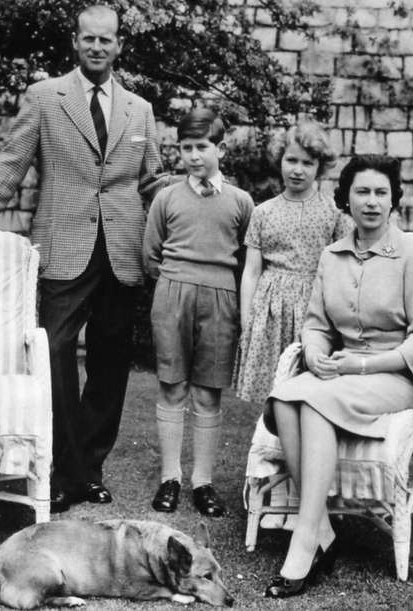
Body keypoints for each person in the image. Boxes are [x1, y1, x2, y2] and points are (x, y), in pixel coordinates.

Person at [0, 5, 170, 513]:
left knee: (112, 362)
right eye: (88, 39)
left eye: (106, 40)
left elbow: (151, 181)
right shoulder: (45, 97)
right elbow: (11, 163)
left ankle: (88, 470)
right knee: (55, 354)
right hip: (63, 247)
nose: (97, 47)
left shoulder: (139, 108)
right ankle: (64, 469)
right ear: (76, 42)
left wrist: (196, 188)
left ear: (119, 47)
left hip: (123, 251)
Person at [262, 154, 413, 598]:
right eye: (362, 191)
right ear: (347, 199)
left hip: (392, 376)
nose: (372, 202)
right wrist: (317, 353)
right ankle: (321, 525)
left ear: (394, 200)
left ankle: (305, 541)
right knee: (286, 397)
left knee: (317, 402)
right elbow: (316, 324)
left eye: (382, 192)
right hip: (341, 373)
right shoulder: (332, 256)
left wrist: (362, 364)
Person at [142, 108, 254, 517]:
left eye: (202, 147)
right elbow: (150, 254)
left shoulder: (241, 202)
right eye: (186, 147)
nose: (193, 155)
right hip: (173, 293)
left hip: (221, 297)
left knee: (207, 392)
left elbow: (248, 258)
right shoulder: (167, 196)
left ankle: (202, 482)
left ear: (220, 149)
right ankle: (170, 477)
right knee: (172, 386)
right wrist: (176, 283)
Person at [234, 121, 350, 403]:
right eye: (291, 160)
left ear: (319, 168)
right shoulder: (263, 212)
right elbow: (251, 271)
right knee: (271, 390)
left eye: (307, 163)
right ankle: (268, 443)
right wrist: (247, 318)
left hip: (313, 306)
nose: (297, 170)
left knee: (307, 388)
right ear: (280, 161)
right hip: (271, 308)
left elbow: (343, 267)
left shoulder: (332, 214)